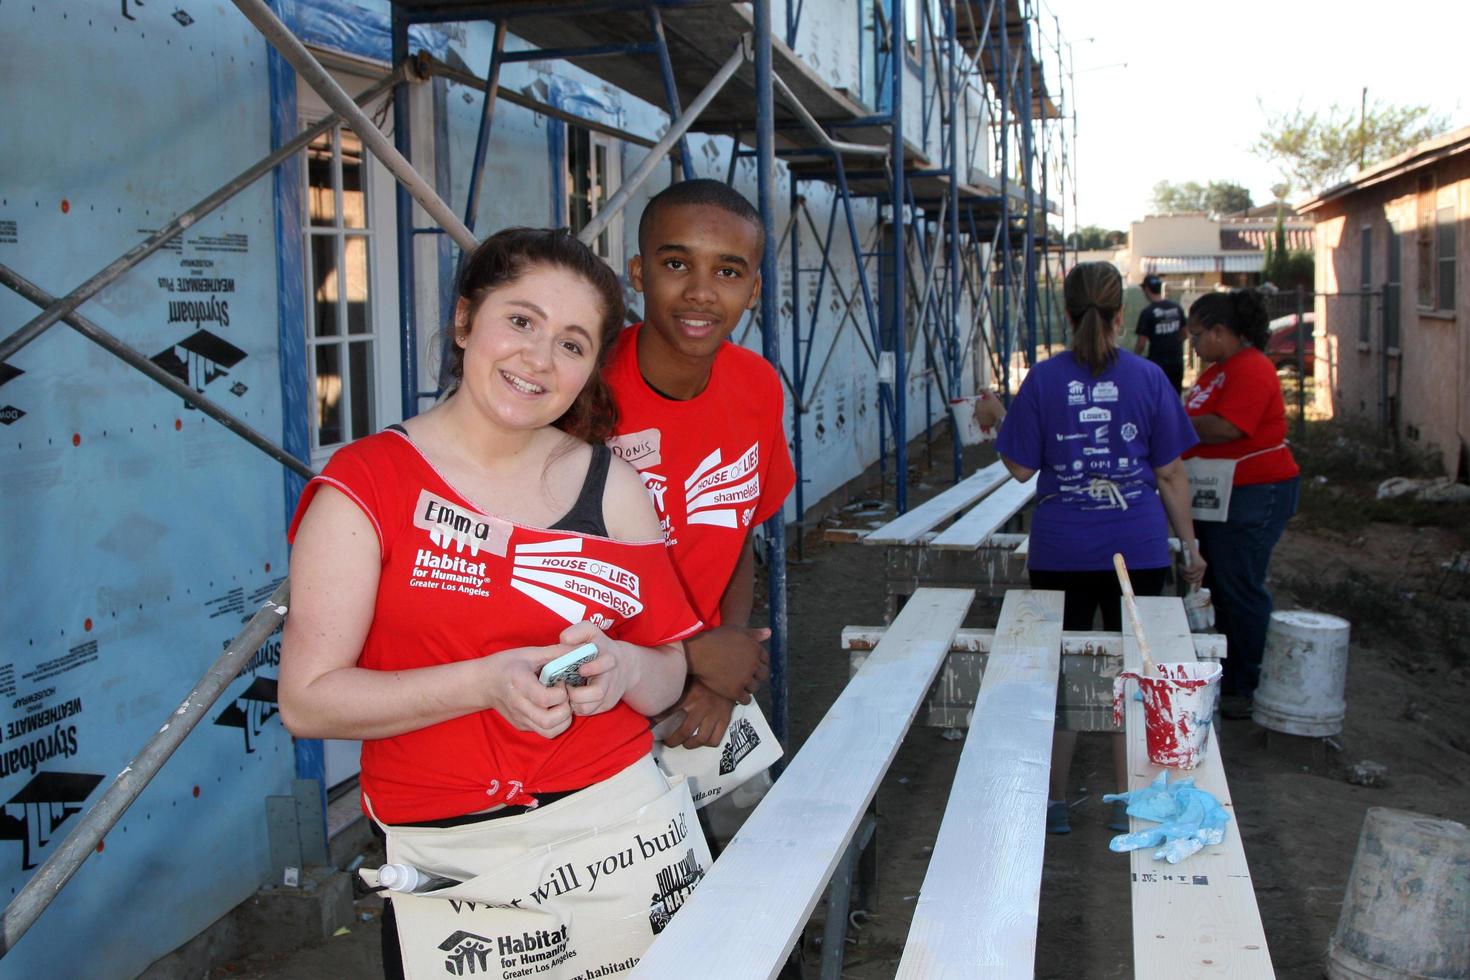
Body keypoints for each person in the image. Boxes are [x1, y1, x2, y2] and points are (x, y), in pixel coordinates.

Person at [280, 228, 707, 980]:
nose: (540, 359)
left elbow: (669, 673)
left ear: (590, 369)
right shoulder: (369, 484)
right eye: (520, 320)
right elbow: (309, 703)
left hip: (621, 835)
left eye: (573, 344)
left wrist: (621, 665)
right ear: (463, 321)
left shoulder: (610, 486)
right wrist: (484, 682)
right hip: (455, 872)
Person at [994, 261, 1205, 834]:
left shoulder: (1042, 379)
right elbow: (1171, 476)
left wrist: (996, 421)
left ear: (1066, 314)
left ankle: (1055, 804)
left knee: (1057, 674)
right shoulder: (1149, 379)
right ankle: (1131, 803)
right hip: (1136, 552)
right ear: (1121, 315)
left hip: (1061, 551)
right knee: (1134, 676)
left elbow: (1019, 468)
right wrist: (1190, 548)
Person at [604, 179, 796, 754]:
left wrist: (720, 664)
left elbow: (734, 536)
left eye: (728, 272)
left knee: (746, 832)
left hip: (708, 688)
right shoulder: (584, 392)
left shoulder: (756, 385)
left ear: (755, 289)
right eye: (676, 263)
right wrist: (690, 660)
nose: (701, 293)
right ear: (638, 273)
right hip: (598, 700)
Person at [1183, 289, 1301, 719]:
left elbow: (1226, 427)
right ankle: (1230, 677)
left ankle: (1250, 684)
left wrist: (1170, 422)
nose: (1192, 345)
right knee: (1224, 588)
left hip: (1254, 493)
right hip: (1223, 495)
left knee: (1241, 587)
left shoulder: (1250, 369)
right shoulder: (1219, 370)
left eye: (1197, 335)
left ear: (1220, 331)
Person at [1135, 273, 1187, 392]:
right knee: (1175, 396)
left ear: (1147, 289)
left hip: (1158, 364)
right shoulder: (1176, 308)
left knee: (1157, 397)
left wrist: (1135, 359)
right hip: (1177, 361)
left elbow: (1141, 344)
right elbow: (1185, 333)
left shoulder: (1148, 312)